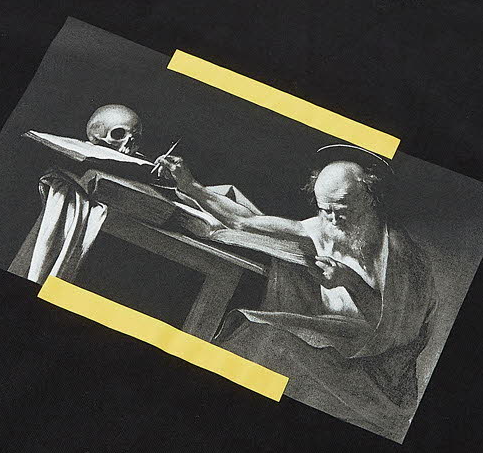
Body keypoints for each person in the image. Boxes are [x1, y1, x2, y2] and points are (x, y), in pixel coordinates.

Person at [157, 147, 439, 437]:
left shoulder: (399, 254)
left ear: (370, 196)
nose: (332, 219)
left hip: (373, 373)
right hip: (332, 338)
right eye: (324, 209)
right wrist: (191, 186)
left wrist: (350, 281)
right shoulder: (325, 226)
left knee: (267, 338)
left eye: (342, 210)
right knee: (257, 335)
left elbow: (396, 333)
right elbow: (245, 222)